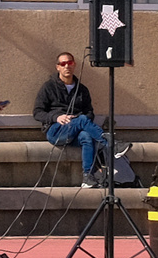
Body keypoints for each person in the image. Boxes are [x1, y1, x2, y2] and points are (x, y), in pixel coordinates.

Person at [32, 53, 111, 181]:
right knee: (83, 120)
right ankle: (110, 144)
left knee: (86, 136)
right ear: (58, 67)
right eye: (63, 64)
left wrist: (78, 120)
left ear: (74, 65)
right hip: (55, 131)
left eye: (70, 63)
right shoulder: (48, 87)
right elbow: (37, 112)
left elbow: (90, 112)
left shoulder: (82, 90)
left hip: (76, 131)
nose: (67, 66)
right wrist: (56, 117)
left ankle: (88, 176)